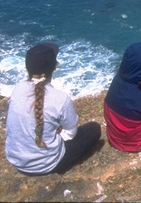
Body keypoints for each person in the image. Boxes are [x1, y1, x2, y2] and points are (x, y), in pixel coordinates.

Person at [5, 43, 102, 175]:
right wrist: (56, 137)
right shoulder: (61, 99)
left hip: (18, 162)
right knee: (94, 128)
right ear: (54, 66)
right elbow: (70, 134)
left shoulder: (17, 89)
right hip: (47, 165)